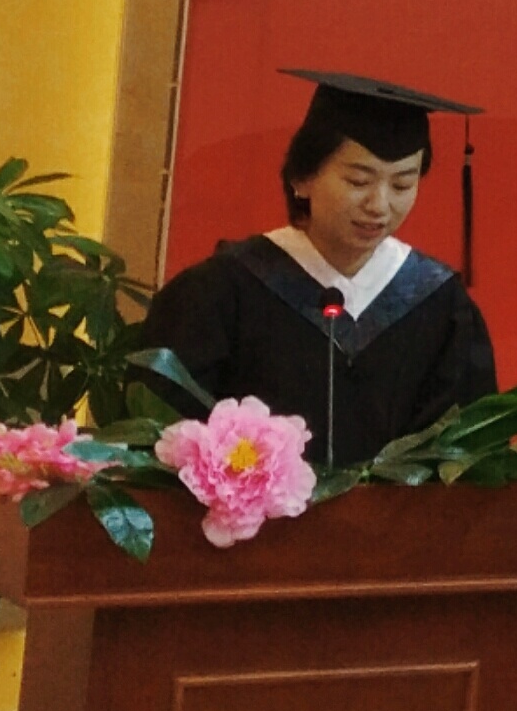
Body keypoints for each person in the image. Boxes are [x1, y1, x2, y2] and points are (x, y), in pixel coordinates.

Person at [135, 69, 498, 466]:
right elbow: (160, 438)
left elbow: (467, 455)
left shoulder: (441, 306)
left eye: (401, 185)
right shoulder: (218, 292)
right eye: (358, 181)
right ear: (301, 179)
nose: (379, 205)